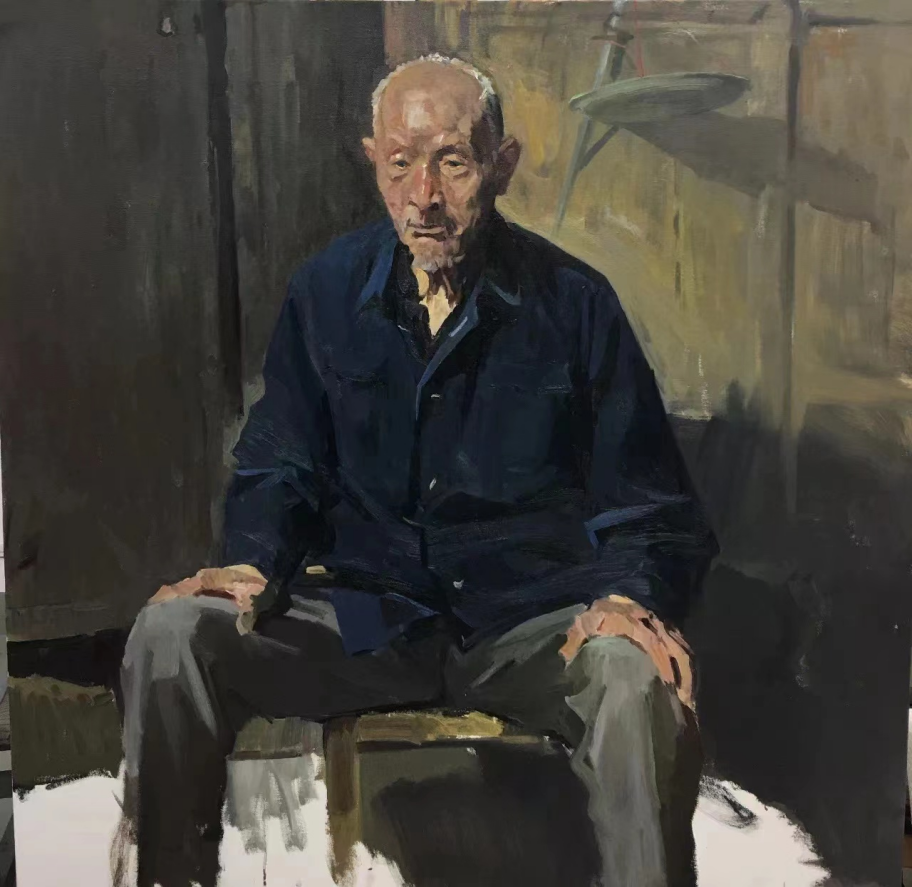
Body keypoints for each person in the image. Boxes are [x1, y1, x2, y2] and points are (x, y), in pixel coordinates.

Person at [115, 54, 717, 887]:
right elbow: (280, 460)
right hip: (371, 622)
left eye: (453, 163)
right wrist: (252, 560)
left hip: (528, 625)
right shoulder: (325, 293)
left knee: (631, 674)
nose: (424, 195)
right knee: (170, 635)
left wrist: (625, 596)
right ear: (374, 162)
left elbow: (652, 504)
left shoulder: (576, 305)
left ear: (502, 166)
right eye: (401, 163)